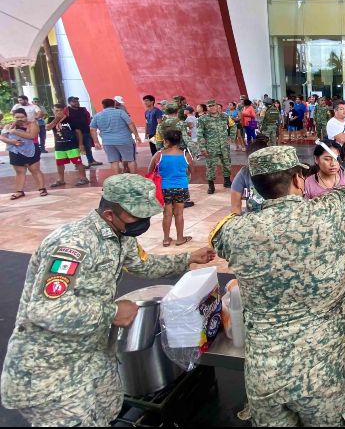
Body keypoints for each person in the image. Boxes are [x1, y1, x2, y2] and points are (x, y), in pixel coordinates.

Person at [0, 174, 216, 427]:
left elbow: (142, 265)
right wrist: (111, 312)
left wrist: (188, 258)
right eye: (137, 217)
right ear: (109, 214)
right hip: (52, 373)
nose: (144, 223)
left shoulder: (121, 236)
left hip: (93, 356)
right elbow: (45, 309)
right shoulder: (73, 245)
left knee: (107, 412)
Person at [209, 146, 345, 426]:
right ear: (299, 180)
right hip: (325, 375)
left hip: (265, 375)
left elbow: (218, 241)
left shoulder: (233, 231)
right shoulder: (330, 212)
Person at [148, 130, 194, 247]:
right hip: (181, 187)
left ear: (166, 141)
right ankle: (180, 238)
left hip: (164, 188)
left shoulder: (159, 154)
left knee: (167, 214)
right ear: (179, 141)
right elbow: (191, 171)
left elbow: (150, 171)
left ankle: (166, 239)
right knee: (179, 214)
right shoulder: (185, 155)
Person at [1, 109, 47, 199]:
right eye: (17, 117)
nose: (20, 119)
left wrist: (15, 132)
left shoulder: (32, 124)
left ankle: (42, 188)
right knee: (19, 171)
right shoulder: (9, 125)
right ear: (13, 117)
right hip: (15, 150)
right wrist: (11, 141)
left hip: (31, 149)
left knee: (34, 169)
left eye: (22, 117)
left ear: (26, 116)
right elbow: (2, 137)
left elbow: (32, 136)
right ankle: (19, 191)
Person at [90, 98, 142, 174]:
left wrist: (96, 142)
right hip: (125, 140)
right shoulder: (121, 112)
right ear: (114, 104)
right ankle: (133, 178)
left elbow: (92, 129)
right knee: (131, 160)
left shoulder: (98, 115)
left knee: (114, 162)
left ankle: (117, 179)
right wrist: (136, 135)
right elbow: (130, 124)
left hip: (107, 142)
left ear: (103, 106)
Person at [47, 103, 89, 188]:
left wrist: (80, 144)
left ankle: (83, 178)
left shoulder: (70, 119)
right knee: (59, 163)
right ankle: (61, 179)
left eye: (60, 110)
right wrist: (56, 119)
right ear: (53, 111)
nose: (58, 112)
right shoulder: (51, 119)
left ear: (64, 110)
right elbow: (48, 128)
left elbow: (78, 132)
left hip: (71, 145)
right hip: (59, 146)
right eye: (56, 111)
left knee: (77, 162)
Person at [198, 100, 232, 194]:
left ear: (217, 106)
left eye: (214, 105)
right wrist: (203, 148)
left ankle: (227, 181)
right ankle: (211, 185)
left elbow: (233, 126)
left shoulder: (224, 116)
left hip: (224, 146)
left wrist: (231, 138)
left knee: (227, 164)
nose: (212, 107)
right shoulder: (202, 119)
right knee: (210, 166)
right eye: (210, 106)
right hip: (211, 147)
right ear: (207, 108)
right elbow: (200, 134)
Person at [230, 136, 269, 215]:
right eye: (252, 163)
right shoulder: (245, 172)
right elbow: (235, 207)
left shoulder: (277, 173)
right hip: (251, 220)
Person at [66, 96, 102, 168]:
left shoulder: (83, 109)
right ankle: (79, 164)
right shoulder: (67, 110)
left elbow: (88, 118)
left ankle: (91, 161)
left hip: (85, 131)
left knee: (88, 147)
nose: (76, 103)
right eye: (74, 101)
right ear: (69, 103)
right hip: (74, 133)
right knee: (76, 148)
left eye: (77, 101)